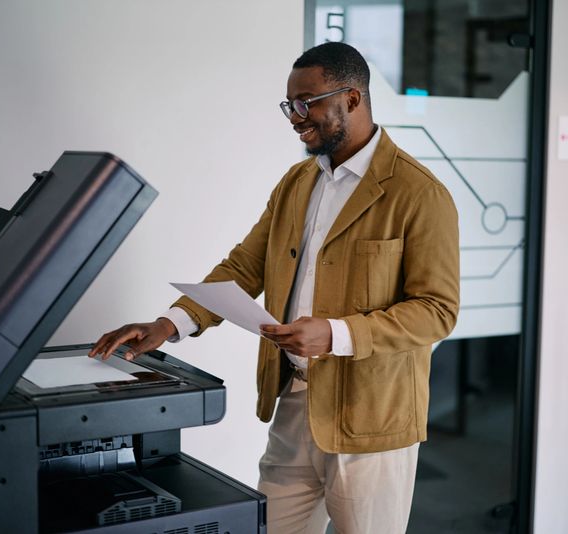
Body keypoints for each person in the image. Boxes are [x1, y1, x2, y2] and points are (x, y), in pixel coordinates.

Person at [89, 42, 460, 534]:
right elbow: (246, 265)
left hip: (371, 420)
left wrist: (334, 334)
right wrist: (169, 324)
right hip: (295, 405)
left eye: (307, 103)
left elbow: (437, 310)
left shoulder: (419, 194)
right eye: (290, 105)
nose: (295, 117)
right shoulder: (297, 182)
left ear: (351, 99)